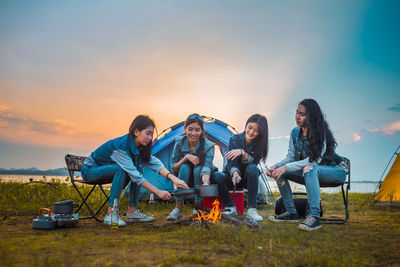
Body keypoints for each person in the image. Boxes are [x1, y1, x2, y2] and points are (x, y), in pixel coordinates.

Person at [81, 115, 188, 226]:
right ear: (136, 132)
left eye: (152, 135)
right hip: (90, 171)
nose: (150, 138)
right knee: (122, 170)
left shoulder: (139, 147)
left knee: (139, 169)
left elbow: (156, 164)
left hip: (106, 171)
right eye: (148, 133)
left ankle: (132, 212)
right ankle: (111, 214)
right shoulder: (121, 146)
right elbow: (135, 176)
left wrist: (174, 179)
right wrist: (158, 192)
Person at [267, 99, 348, 231]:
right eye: (297, 113)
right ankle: (292, 213)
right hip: (310, 172)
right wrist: (275, 167)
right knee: (279, 173)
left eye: (302, 114)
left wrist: (286, 167)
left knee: (309, 168)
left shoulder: (320, 132)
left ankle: (314, 217)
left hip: (335, 171)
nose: (297, 117)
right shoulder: (295, 132)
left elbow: (313, 161)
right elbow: (291, 157)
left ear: (311, 117)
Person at [213, 114, 269, 222]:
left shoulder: (260, 145)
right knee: (217, 176)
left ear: (261, 133)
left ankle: (252, 209)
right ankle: (230, 207)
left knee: (253, 168)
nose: (251, 132)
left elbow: (254, 162)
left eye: (256, 131)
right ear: (246, 125)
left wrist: (242, 152)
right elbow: (231, 162)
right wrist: (235, 173)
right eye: (250, 127)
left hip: (248, 180)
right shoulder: (234, 139)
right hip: (233, 177)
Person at [167, 114, 215, 220]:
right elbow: (173, 168)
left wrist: (206, 182)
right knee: (184, 167)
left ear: (202, 131)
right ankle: (178, 208)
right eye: (190, 129)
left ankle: (198, 208)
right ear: (185, 128)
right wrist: (186, 158)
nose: (193, 133)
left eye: (197, 130)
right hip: (183, 175)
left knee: (198, 169)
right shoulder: (179, 141)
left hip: (201, 176)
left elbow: (206, 167)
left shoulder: (209, 145)